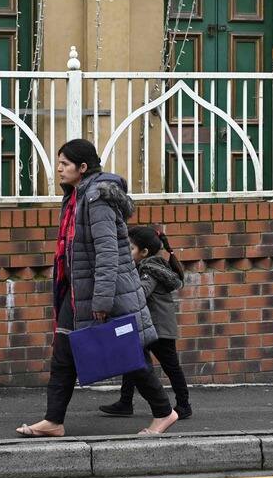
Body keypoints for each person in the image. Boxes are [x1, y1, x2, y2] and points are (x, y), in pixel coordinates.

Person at [16, 139, 179, 437]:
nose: (59, 169)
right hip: (78, 291)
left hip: (107, 291)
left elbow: (107, 253)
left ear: (82, 167)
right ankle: (54, 420)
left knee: (128, 353)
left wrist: (101, 301)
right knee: (63, 352)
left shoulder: (97, 199)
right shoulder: (77, 196)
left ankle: (164, 412)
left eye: (65, 164)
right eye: (59, 163)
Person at [99, 226, 192, 419]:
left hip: (159, 328)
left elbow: (141, 292)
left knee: (170, 366)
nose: (126, 252)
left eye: (130, 248)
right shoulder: (144, 266)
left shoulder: (150, 269)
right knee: (131, 360)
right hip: (146, 324)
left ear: (144, 252)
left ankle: (184, 404)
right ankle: (125, 402)